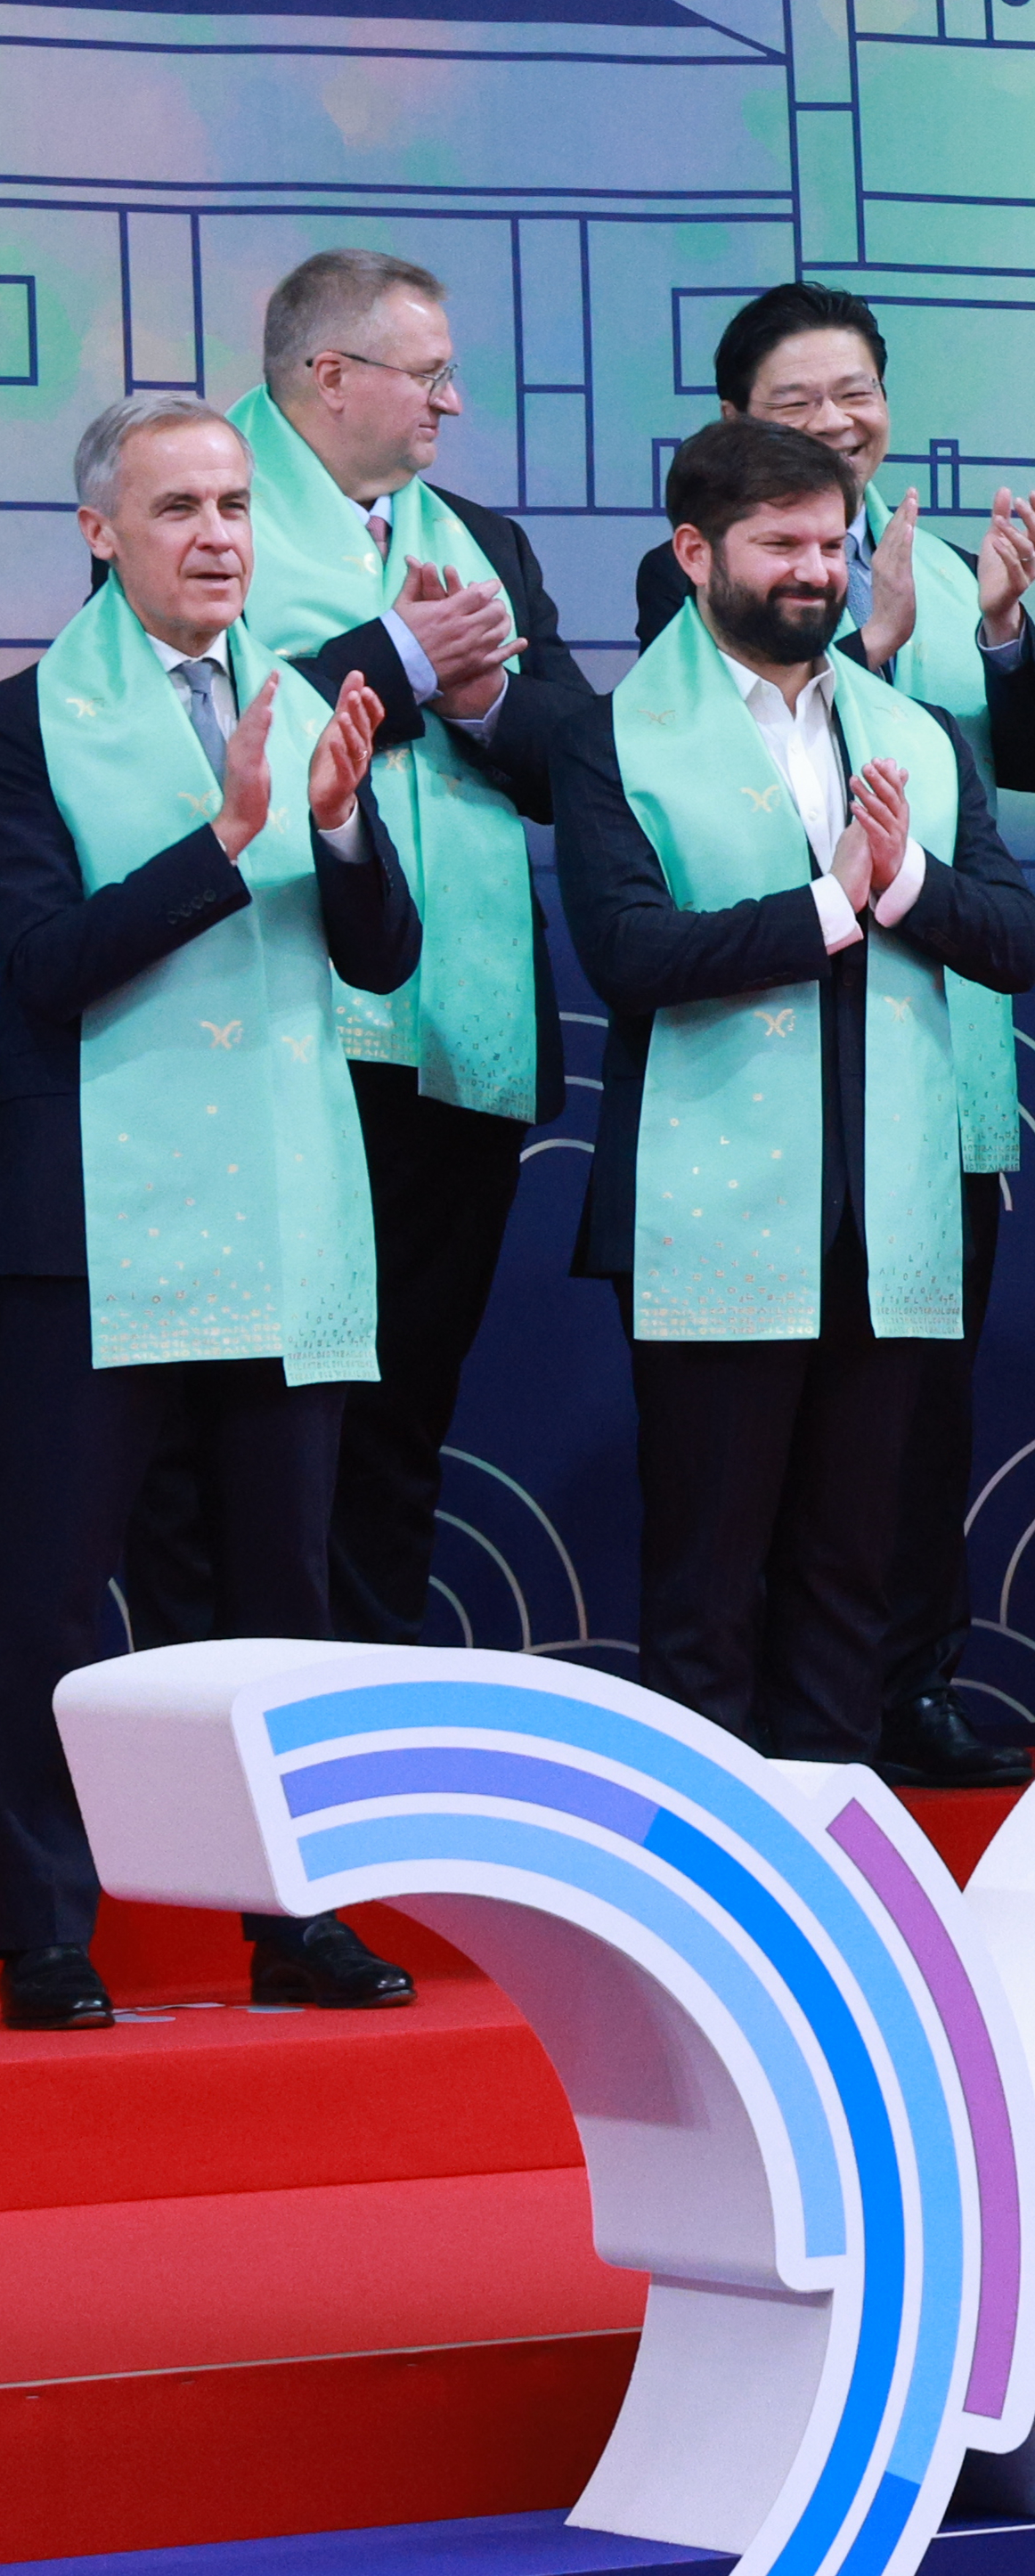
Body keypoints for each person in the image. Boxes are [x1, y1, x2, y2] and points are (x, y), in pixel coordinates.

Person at [0, 397, 416, 2029]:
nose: (220, 534)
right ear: (101, 532)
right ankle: (39, 1926)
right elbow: (39, 969)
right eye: (179, 506)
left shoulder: (310, 703)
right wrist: (226, 840)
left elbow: (381, 957)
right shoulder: (26, 727)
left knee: (278, 1601)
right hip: (88, 1228)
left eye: (236, 503)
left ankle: (291, 1917)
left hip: (287, 1209)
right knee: (47, 1597)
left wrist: (326, 822)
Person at [117, 250, 598, 1660]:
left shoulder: (483, 540)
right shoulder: (209, 505)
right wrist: (392, 650)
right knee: (241, 1407)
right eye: (427, 372)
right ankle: (216, 1737)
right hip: (267, 1024)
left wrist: (489, 689)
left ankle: (372, 1728)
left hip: (455, 1033)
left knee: (400, 1406)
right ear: (330, 377)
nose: (451, 400)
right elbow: (192, 726)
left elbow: (576, 763)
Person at [636, 282, 1035, 1788]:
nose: (835, 424)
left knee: (908, 1424)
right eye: (797, 401)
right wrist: (870, 648)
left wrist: (997, 628)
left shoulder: (941, 560)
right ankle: (741, 1743)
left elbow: (1022, 764)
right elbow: (756, 772)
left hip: (931, 1066)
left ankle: (904, 1691)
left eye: (854, 395)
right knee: (745, 1467)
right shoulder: (695, 583)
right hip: (753, 1102)